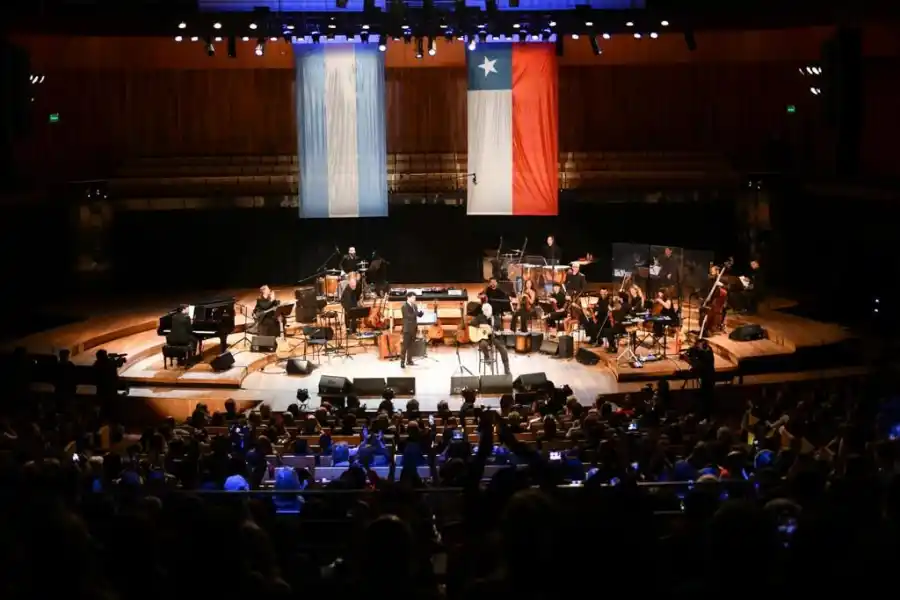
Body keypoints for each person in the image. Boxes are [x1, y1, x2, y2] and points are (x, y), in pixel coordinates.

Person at [471, 303, 510, 375]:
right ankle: (487, 357)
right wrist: (480, 325)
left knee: (503, 349)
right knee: (483, 344)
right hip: (484, 338)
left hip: (494, 338)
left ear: (491, 310)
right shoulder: (480, 317)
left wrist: (499, 332)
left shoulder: (496, 318)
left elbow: (501, 329)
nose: (486, 311)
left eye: (488, 310)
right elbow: (471, 324)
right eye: (485, 310)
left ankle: (507, 369)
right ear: (483, 311)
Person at [400, 292, 423, 369]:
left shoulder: (415, 306)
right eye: (413, 298)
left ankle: (409, 360)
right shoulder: (404, 306)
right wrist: (416, 313)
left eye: (415, 298)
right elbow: (408, 316)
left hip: (413, 328)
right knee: (405, 346)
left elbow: (418, 315)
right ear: (408, 298)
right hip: (407, 329)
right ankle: (402, 362)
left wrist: (421, 312)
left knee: (411, 346)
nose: (414, 299)